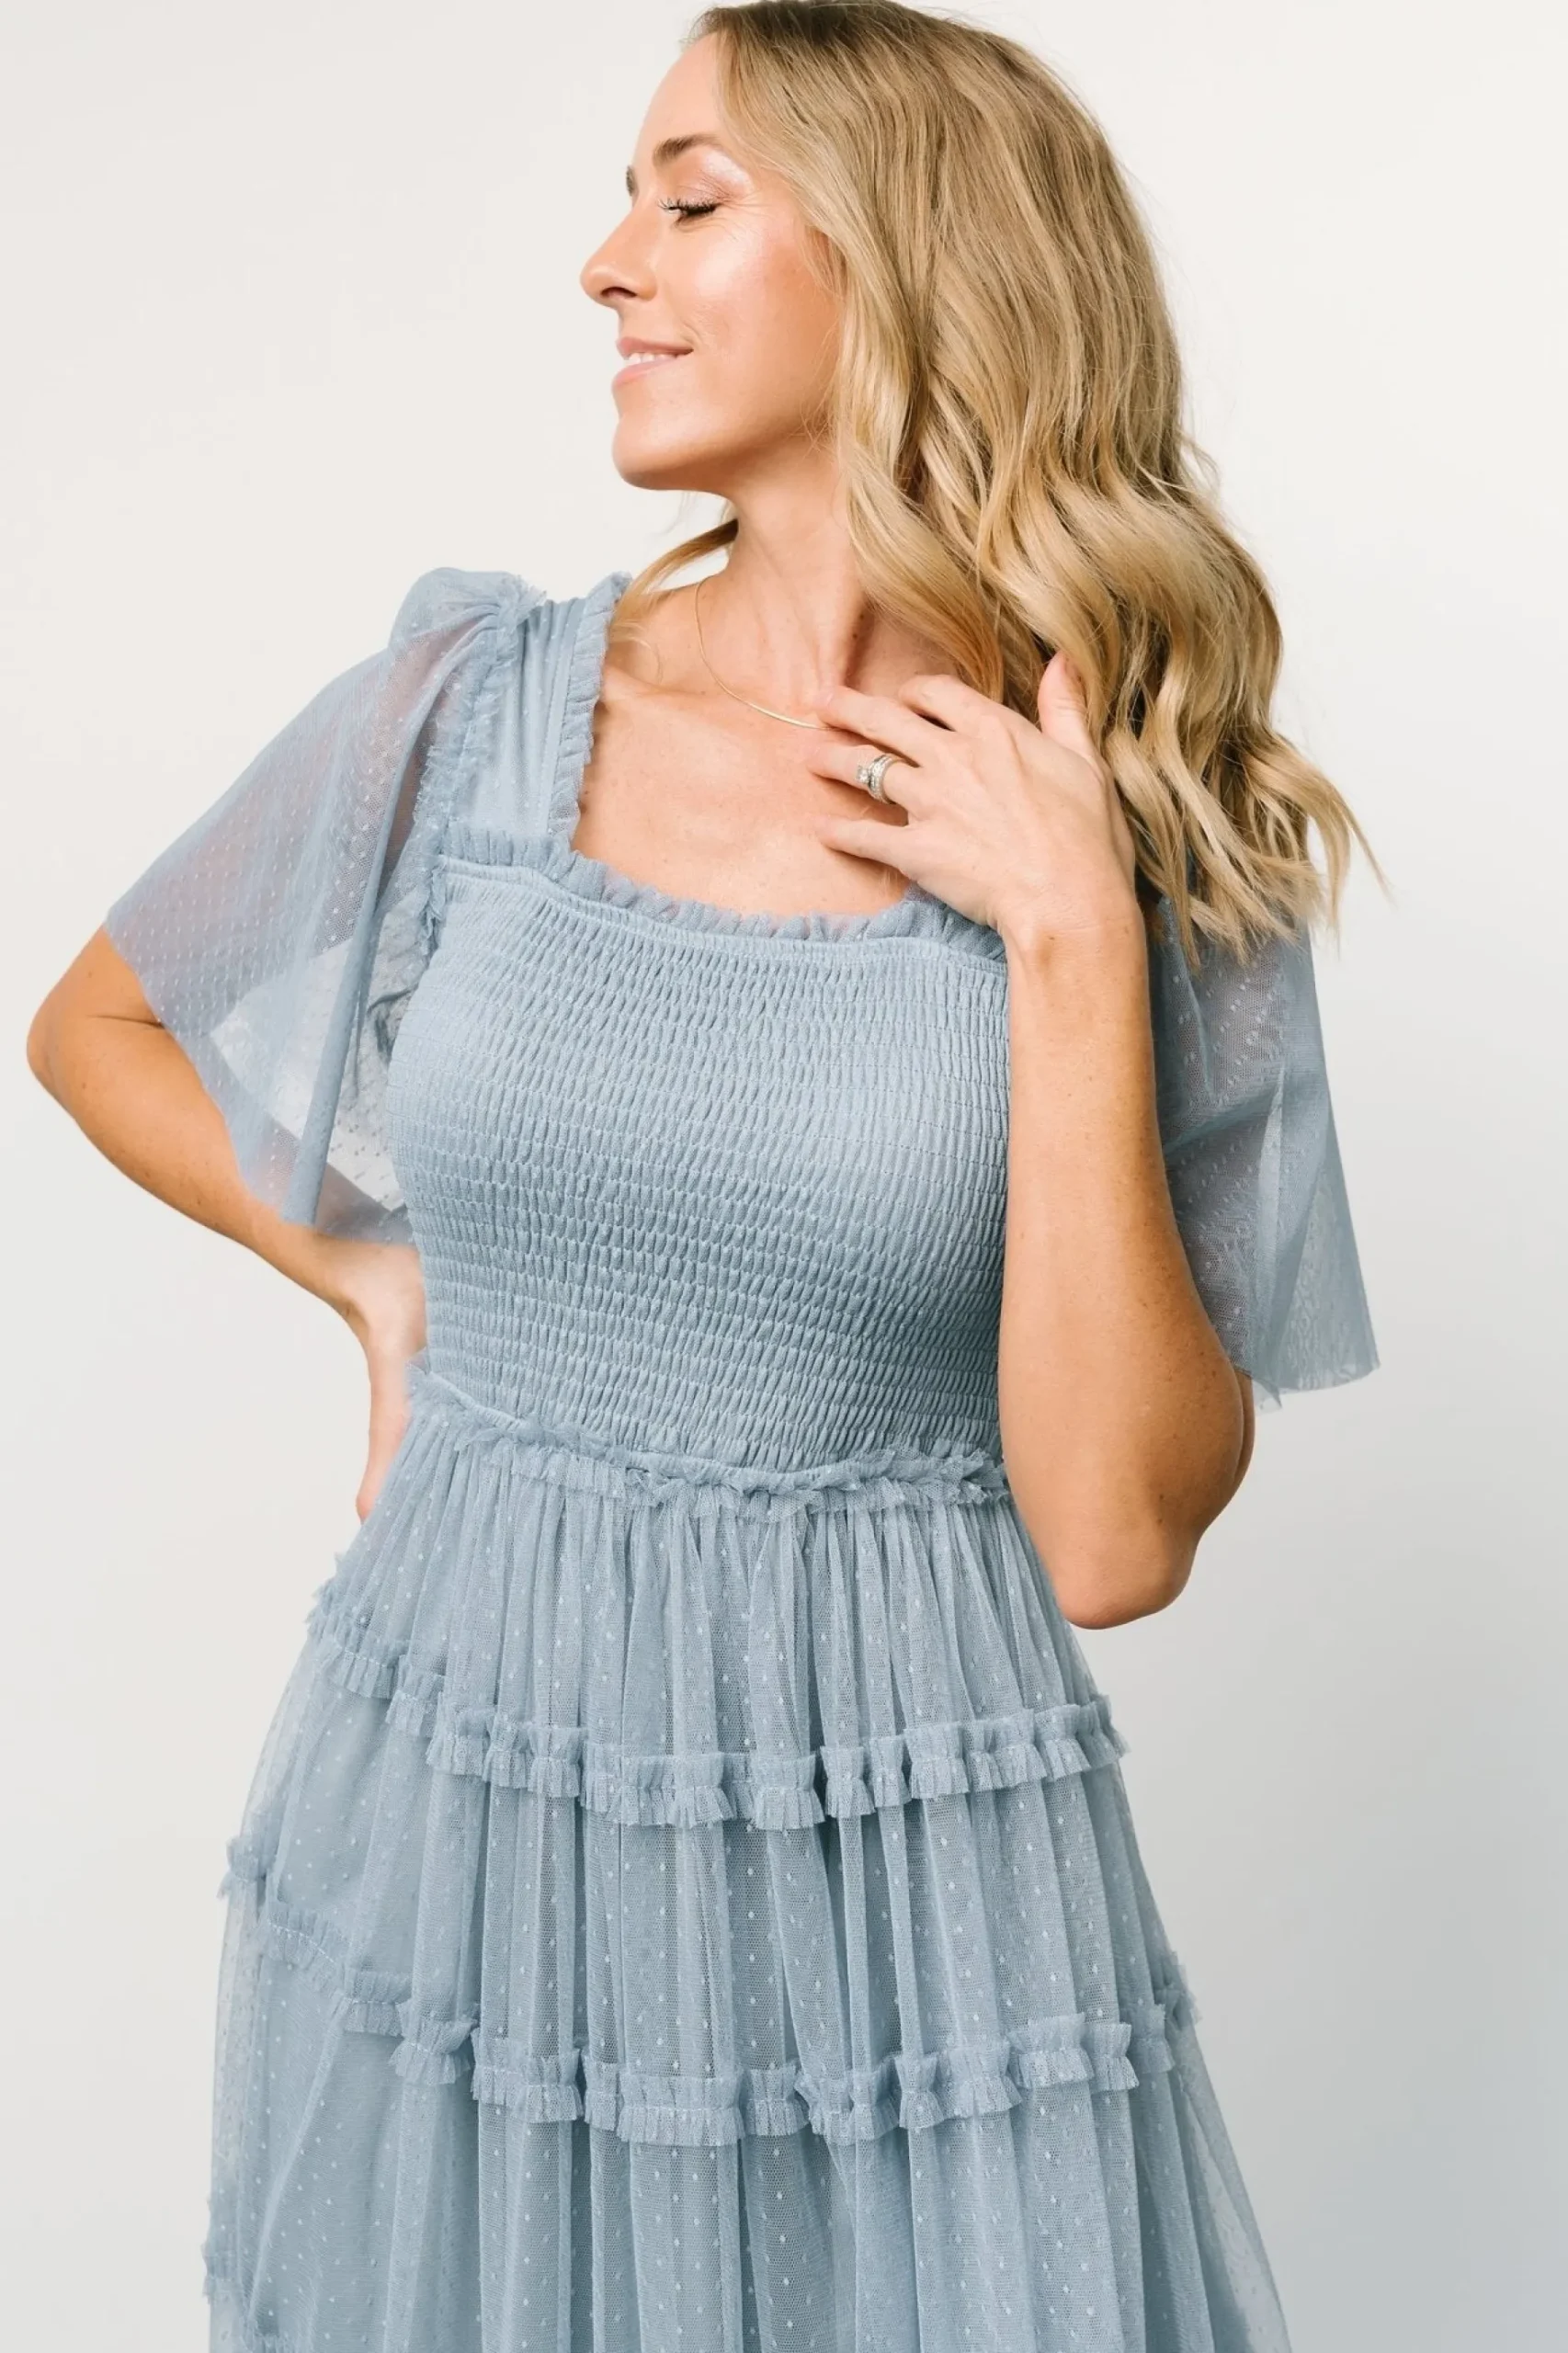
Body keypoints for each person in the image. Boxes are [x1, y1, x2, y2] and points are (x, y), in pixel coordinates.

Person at [26, 6, 1380, 2348]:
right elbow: (96, 1025)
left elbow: (1114, 1539)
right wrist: (364, 1271)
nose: (605, 263)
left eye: (687, 198)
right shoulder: (475, 709)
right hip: (469, 1810)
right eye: (624, 200)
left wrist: (1066, 936)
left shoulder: (1124, 808)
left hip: (908, 1891)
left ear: (903, 258)